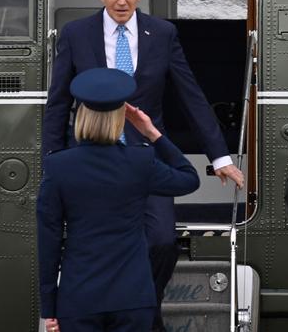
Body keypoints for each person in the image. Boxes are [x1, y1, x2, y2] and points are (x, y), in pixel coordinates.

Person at [42, 0, 244, 331]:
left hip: (141, 159)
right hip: (87, 156)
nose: (122, 0)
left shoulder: (162, 33)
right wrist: (52, 162)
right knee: (87, 242)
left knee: (162, 241)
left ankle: (142, 314)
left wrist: (220, 156)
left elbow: (191, 95)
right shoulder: (76, 33)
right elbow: (58, 103)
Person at [37, 68, 200, 332]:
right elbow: (189, 178)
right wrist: (151, 132)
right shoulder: (140, 161)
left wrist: (49, 308)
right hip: (133, 297)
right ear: (119, 119)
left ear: (81, 116)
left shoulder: (57, 167)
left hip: (79, 298)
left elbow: (49, 242)